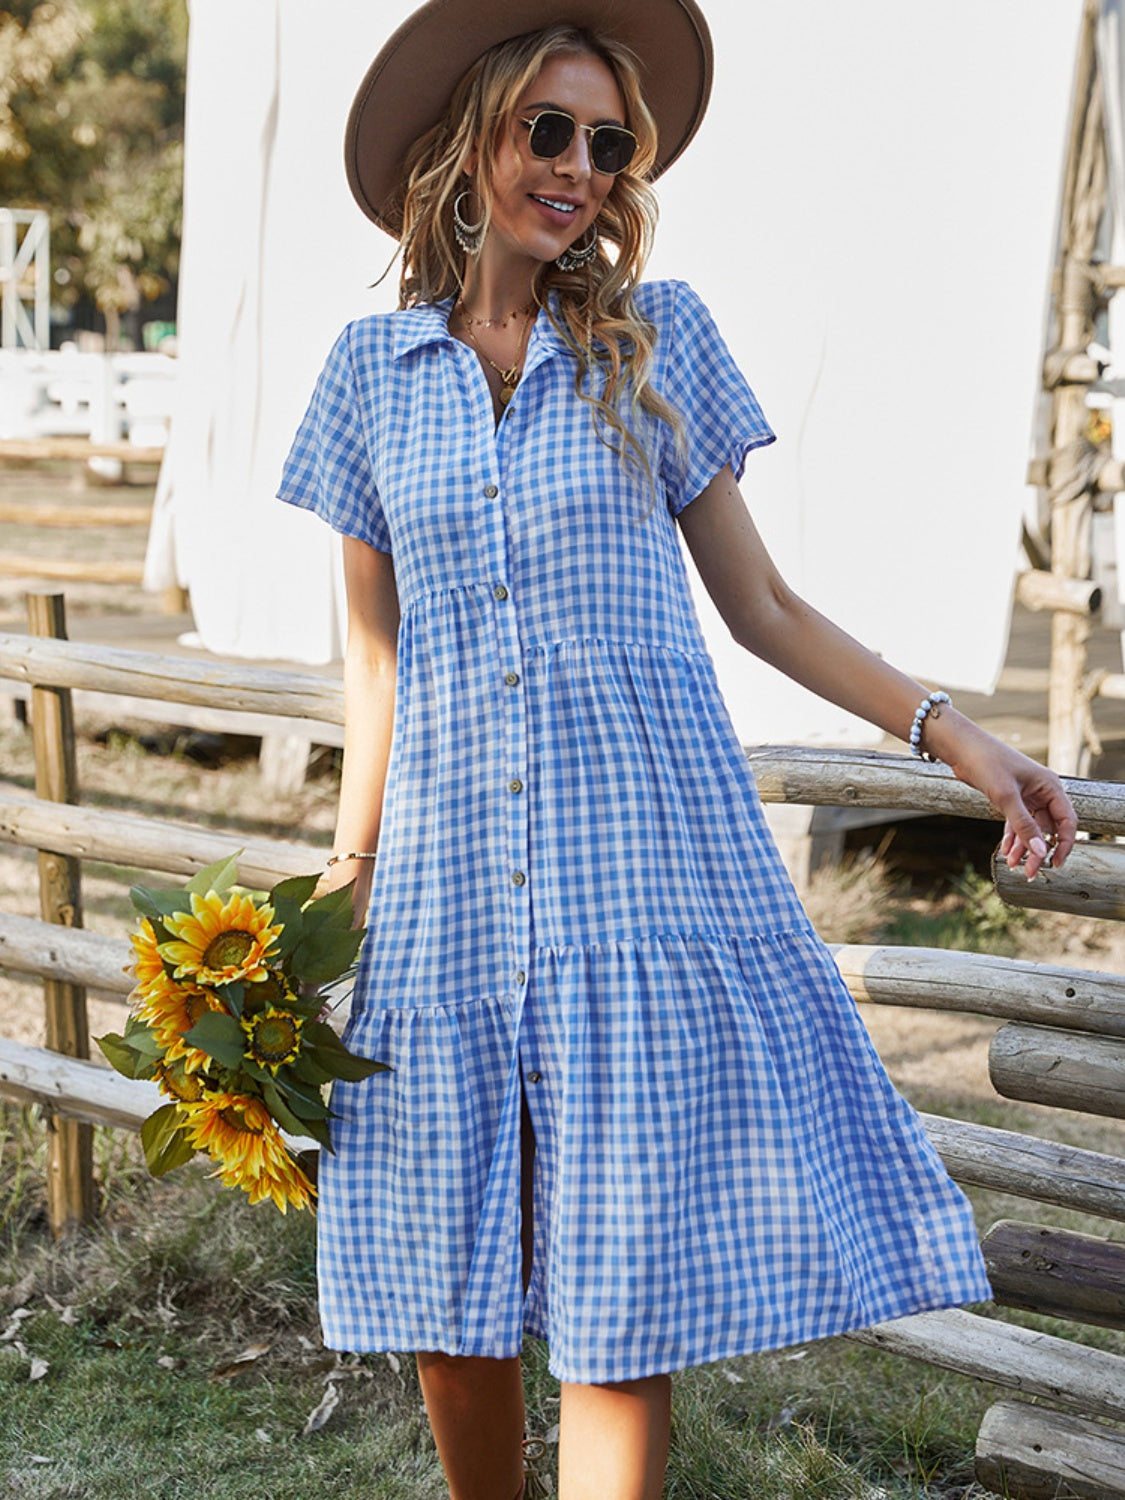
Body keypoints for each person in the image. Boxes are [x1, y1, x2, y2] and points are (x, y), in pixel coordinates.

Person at [278, 3, 1077, 1496]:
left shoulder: (660, 339)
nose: (578, 167)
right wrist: (342, 886)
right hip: (444, 888)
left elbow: (764, 607)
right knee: (448, 1282)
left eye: (607, 143)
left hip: (631, 877)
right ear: (470, 142)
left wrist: (957, 740)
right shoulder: (365, 376)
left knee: (611, 1297)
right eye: (547, 132)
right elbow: (375, 664)